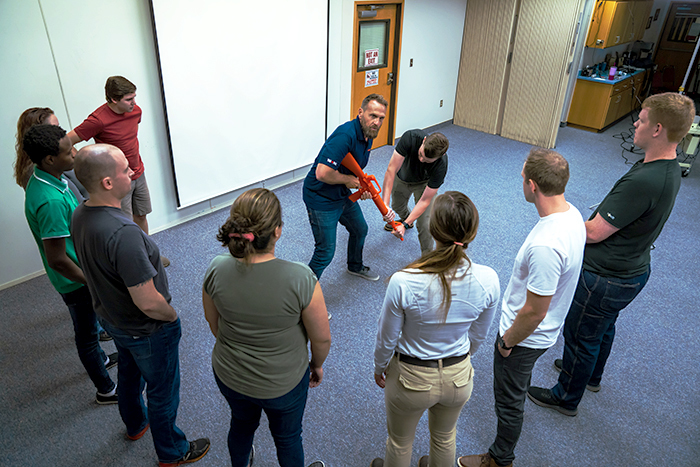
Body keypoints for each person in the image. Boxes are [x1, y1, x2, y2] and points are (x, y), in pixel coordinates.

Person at [527, 92, 695, 416]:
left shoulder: (646, 180)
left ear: (658, 129)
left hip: (605, 277)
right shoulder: (667, 166)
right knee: (602, 327)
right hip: (630, 270)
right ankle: (590, 375)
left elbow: (592, 232)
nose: (636, 122)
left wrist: (560, 217)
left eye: (642, 119)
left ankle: (566, 397)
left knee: (580, 335)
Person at [70, 144, 209, 467]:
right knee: (162, 392)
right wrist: (171, 316)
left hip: (113, 319)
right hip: (146, 328)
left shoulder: (81, 213)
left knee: (131, 377)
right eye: (124, 169)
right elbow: (147, 300)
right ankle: (173, 452)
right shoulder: (124, 233)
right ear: (107, 182)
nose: (132, 172)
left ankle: (135, 425)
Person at [458, 148, 585, 467]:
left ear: (532, 185)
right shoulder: (570, 214)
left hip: (525, 337)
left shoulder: (546, 245)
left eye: (521, 178)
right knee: (515, 390)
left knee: (509, 400)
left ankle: (500, 458)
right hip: (543, 330)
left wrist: (506, 342)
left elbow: (534, 311)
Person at [203, 188, 330, 467]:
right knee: (287, 438)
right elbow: (321, 340)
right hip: (283, 384)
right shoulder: (301, 277)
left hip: (229, 374)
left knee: (241, 424)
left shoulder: (215, 267)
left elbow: (214, 324)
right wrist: (316, 365)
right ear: (277, 231)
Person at [372, 191, 500, 467]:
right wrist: (460, 359)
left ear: (432, 228)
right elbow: (478, 336)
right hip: (458, 378)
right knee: (444, 438)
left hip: (410, 378)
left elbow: (387, 336)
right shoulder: (489, 279)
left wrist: (379, 366)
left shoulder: (404, 280)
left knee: (399, 442)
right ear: (472, 233)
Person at [22, 124, 117, 404]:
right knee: (87, 335)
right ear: (50, 159)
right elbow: (57, 259)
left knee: (94, 325)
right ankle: (106, 390)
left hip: (83, 269)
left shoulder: (53, 178)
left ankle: (102, 360)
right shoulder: (49, 201)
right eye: (68, 151)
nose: (74, 154)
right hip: (75, 281)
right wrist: (93, 281)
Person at [66, 75, 169, 267]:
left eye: (134, 97)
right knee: (125, 224)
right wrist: (86, 163)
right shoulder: (97, 120)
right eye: (129, 99)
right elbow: (67, 141)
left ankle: (146, 256)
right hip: (117, 179)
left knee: (141, 215)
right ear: (114, 100)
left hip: (138, 172)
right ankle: (133, 263)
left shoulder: (135, 112)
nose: (134, 103)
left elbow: (128, 139)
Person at [302, 93, 388, 280]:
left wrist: (360, 188)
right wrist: (348, 181)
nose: (377, 122)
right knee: (325, 252)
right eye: (372, 116)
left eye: (381, 118)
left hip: (341, 193)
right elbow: (322, 173)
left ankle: (355, 266)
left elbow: (353, 170)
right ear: (360, 113)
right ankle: (303, 296)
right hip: (320, 197)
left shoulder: (368, 135)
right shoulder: (345, 135)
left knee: (360, 229)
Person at [381, 130, 449, 255]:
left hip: (423, 184)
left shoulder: (441, 166)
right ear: (424, 140)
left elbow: (425, 200)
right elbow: (391, 170)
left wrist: (405, 225)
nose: (422, 160)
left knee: (425, 224)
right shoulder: (410, 137)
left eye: (427, 160)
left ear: (441, 155)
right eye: (420, 154)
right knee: (397, 206)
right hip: (401, 177)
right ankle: (406, 218)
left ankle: (427, 258)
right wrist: (384, 205)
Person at [14, 107, 88, 201]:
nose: (60, 132)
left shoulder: (61, 150)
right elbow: (76, 201)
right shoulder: (42, 168)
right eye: (55, 128)